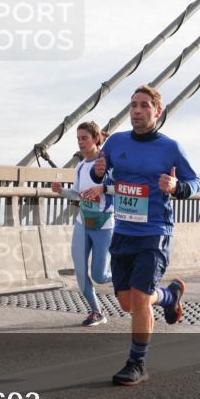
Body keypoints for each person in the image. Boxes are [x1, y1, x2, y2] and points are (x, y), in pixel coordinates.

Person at [90, 85, 200, 386]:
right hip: (124, 231)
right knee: (127, 303)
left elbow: (195, 183)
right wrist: (99, 172)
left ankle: (136, 363)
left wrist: (176, 187)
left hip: (155, 232)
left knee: (139, 299)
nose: (137, 111)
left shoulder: (171, 148)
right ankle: (169, 296)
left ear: (157, 111)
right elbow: (100, 173)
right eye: (133, 105)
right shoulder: (115, 143)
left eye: (144, 106)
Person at [52, 122, 113, 326]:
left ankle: (126, 276)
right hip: (83, 223)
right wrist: (61, 191)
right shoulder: (79, 167)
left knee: (100, 275)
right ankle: (97, 312)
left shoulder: (106, 165)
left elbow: (118, 189)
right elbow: (76, 194)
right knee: (80, 272)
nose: (80, 142)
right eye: (78, 138)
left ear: (96, 139)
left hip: (103, 226)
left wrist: (103, 189)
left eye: (84, 138)